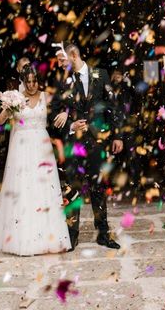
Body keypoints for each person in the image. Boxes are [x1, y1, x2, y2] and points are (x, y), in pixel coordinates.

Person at [0, 66, 71, 257]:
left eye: (35, 81)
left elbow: (65, 105)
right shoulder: (15, 97)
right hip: (21, 148)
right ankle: (21, 238)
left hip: (41, 147)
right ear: (23, 80)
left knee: (43, 189)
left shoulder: (46, 97)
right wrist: (8, 109)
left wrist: (65, 113)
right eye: (28, 81)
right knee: (23, 189)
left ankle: (48, 237)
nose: (32, 85)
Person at [62, 43, 123, 250]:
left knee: (98, 187)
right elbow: (56, 109)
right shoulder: (65, 80)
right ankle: (72, 235)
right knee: (73, 189)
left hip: (97, 142)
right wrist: (71, 124)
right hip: (75, 143)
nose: (62, 63)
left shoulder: (101, 74)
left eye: (65, 58)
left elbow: (112, 107)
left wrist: (117, 135)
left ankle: (103, 234)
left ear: (73, 55)